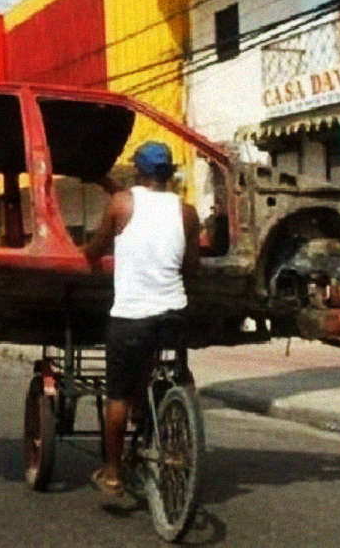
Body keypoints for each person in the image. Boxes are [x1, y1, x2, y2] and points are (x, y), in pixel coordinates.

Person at [81, 141, 201, 496]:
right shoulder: (188, 212)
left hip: (132, 316)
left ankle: (113, 473)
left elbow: (96, 248)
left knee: (116, 395)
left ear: (137, 171)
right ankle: (172, 420)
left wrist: (82, 254)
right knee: (168, 369)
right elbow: (191, 267)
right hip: (173, 315)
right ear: (169, 174)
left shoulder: (121, 204)